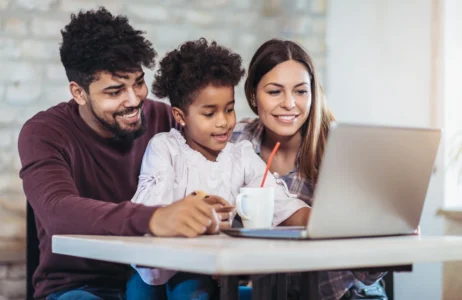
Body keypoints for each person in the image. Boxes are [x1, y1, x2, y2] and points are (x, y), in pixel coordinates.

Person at [18, 8, 227, 300]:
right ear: (79, 93)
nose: (134, 100)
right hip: (80, 286)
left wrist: (207, 209)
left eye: (138, 82)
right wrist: (155, 218)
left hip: (155, 278)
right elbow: (57, 210)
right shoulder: (45, 132)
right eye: (115, 91)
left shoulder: (165, 119)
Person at [129, 37, 311, 299]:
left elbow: (280, 202)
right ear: (180, 116)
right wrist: (196, 211)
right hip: (157, 272)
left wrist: (318, 220)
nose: (224, 122)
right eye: (209, 113)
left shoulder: (241, 154)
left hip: (209, 271)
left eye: (229, 109)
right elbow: (149, 213)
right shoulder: (165, 149)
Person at [230, 39, 388, 300]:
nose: (290, 103)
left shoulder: (338, 152)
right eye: (274, 92)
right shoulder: (236, 139)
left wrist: (388, 234)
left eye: (301, 91)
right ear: (252, 96)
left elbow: (367, 270)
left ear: (313, 95)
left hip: (342, 294)